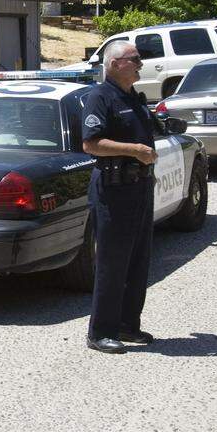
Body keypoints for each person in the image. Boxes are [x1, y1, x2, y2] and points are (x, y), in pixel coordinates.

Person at [81, 41, 158, 354]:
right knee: (113, 263)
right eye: (134, 59)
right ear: (114, 64)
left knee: (138, 260)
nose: (140, 64)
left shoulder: (132, 96)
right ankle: (100, 332)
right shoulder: (100, 97)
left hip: (139, 186)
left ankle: (128, 324)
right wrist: (135, 151)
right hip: (114, 189)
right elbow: (91, 144)